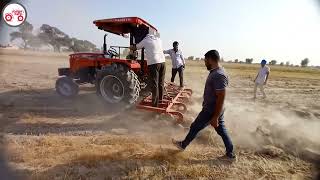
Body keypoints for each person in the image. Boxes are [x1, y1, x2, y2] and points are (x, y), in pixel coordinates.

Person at [172, 50, 236, 160]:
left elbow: (221, 96)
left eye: (206, 60)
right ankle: (230, 154)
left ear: (211, 59)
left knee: (195, 127)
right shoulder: (218, 71)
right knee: (221, 131)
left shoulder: (218, 75)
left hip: (211, 110)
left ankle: (183, 145)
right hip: (214, 108)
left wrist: (215, 116)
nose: (205, 62)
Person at [130, 32, 166, 107]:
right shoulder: (158, 39)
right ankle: (160, 100)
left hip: (154, 63)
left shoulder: (145, 40)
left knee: (154, 84)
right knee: (160, 82)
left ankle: (154, 104)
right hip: (163, 62)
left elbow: (135, 48)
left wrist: (130, 47)